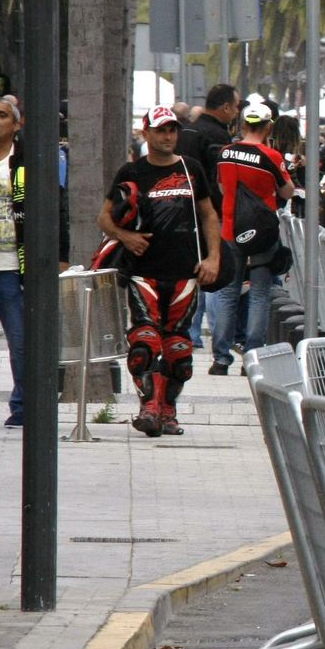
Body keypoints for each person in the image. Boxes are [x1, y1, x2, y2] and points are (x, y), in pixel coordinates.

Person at [99, 105, 221, 436]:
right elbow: (105, 217)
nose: (168, 136)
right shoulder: (131, 172)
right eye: (161, 130)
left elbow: (209, 214)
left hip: (186, 272)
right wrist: (126, 236)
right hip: (143, 273)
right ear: (146, 132)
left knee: (179, 352)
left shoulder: (191, 169)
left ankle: (168, 411)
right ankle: (148, 409)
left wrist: (214, 259)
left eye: (172, 130)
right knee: (144, 345)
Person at [0, 97, 71, 427]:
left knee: (23, 345)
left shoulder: (29, 161)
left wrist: (61, 257)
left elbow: (57, 208)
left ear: (17, 125)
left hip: (14, 270)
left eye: (2, 115)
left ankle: (24, 408)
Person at [208, 102, 293, 376]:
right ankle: (252, 356)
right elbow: (288, 191)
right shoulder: (272, 156)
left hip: (231, 230)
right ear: (268, 126)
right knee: (259, 294)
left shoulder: (226, 153)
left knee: (228, 292)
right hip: (263, 234)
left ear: (243, 125)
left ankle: (220, 358)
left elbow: (221, 187)